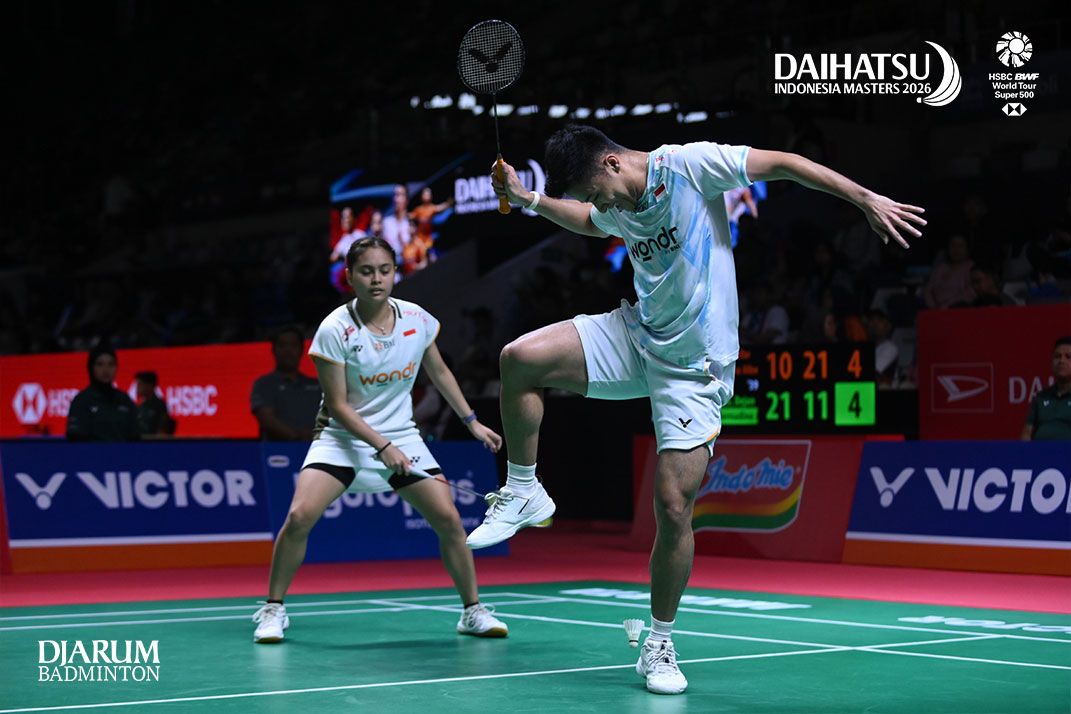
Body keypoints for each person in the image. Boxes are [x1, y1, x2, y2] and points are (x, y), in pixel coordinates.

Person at [479, 124, 924, 694]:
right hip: (639, 335)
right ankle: (523, 488)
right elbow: (590, 221)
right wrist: (528, 200)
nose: (600, 206)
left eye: (596, 192)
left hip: (695, 368)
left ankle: (659, 642)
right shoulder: (615, 201)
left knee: (672, 506)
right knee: (519, 359)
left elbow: (784, 163)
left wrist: (863, 198)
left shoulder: (688, 167)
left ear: (612, 163)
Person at [252, 237, 508, 643]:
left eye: (384, 270)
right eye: (367, 271)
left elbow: (439, 372)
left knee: (448, 519)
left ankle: (472, 610)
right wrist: (382, 446)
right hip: (341, 438)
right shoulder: (335, 329)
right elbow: (338, 406)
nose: (376, 279)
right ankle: (273, 608)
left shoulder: (416, 319)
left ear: (395, 273)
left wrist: (471, 421)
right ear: (350, 277)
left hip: (401, 434)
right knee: (299, 516)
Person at [250, 326, 323, 441]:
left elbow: (331, 418)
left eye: (293, 345)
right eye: (282, 345)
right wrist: (298, 438)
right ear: (273, 350)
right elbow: (267, 420)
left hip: (316, 448)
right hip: (278, 449)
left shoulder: (318, 385)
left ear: (302, 350)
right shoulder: (263, 384)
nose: (288, 350)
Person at [66, 345, 141, 441]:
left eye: (111, 364)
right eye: (100, 364)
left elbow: (135, 437)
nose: (106, 370)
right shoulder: (81, 401)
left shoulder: (125, 400)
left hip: (122, 451)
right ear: (91, 368)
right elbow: (75, 438)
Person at [1020, 336, 1071, 441]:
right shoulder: (1041, 397)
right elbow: (1027, 433)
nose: (1061, 361)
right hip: (1040, 451)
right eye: (1057, 356)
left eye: (1068, 357)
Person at [924, 233, 975, 309]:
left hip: (959, 310)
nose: (956, 250)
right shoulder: (940, 268)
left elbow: (971, 292)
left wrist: (947, 306)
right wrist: (934, 307)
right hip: (935, 311)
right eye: (953, 245)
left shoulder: (971, 267)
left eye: (960, 246)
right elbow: (928, 290)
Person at [865, 309, 899, 387]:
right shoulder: (865, 347)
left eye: (880, 320)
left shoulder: (891, 348)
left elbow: (871, 372)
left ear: (889, 326)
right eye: (871, 320)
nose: (875, 324)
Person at [134, 371, 175, 436]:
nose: (137, 388)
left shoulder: (160, 406)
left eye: (140, 384)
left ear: (150, 385)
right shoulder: (139, 408)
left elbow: (162, 431)